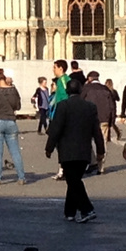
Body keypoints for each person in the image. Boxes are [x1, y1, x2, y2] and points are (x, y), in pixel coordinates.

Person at [44, 75, 104, 222]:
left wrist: (49, 147)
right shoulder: (90, 107)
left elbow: (56, 129)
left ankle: (87, 209)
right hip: (84, 152)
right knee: (74, 179)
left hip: (67, 151)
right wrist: (100, 150)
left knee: (74, 181)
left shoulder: (63, 106)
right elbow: (96, 130)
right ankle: (69, 211)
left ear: (67, 90)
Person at [0, 71, 26, 185]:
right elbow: (18, 106)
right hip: (11, 122)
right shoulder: (14, 91)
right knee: (15, 152)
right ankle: (21, 177)